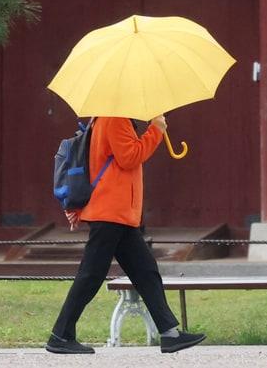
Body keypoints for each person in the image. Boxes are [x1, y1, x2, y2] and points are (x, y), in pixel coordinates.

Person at [47, 113, 206, 355]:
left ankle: (169, 333)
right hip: (110, 212)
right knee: (91, 275)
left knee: (146, 271)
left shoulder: (108, 118)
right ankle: (60, 335)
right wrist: (156, 130)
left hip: (119, 214)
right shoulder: (115, 119)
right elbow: (129, 157)